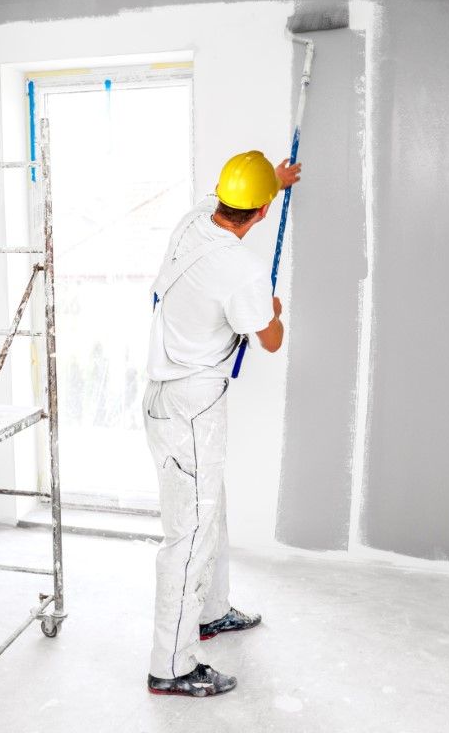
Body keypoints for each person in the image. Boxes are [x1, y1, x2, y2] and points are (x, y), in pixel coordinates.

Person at [144, 150, 300, 697]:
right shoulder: (246, 272)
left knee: (210, 506)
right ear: (258, 212)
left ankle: (210, 614)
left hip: (171, 393)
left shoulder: (193, 222)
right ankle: (172, 665)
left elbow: (234, 203)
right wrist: (273, 310)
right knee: (188, 533)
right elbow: (272, 340)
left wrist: (274, 183)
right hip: (191, 403)